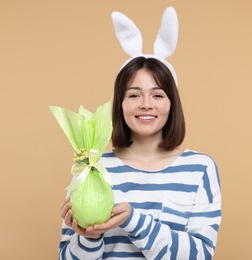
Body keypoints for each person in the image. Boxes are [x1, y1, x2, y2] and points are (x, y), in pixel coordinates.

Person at [59, 7, 221, 259]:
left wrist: (135, 221)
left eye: (157, 94)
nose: (146, 103)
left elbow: (201, 255)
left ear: (171, 103)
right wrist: (88, 237)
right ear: (120, 104)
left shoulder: (200, 168)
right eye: (134, 94)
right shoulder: (92, 166)